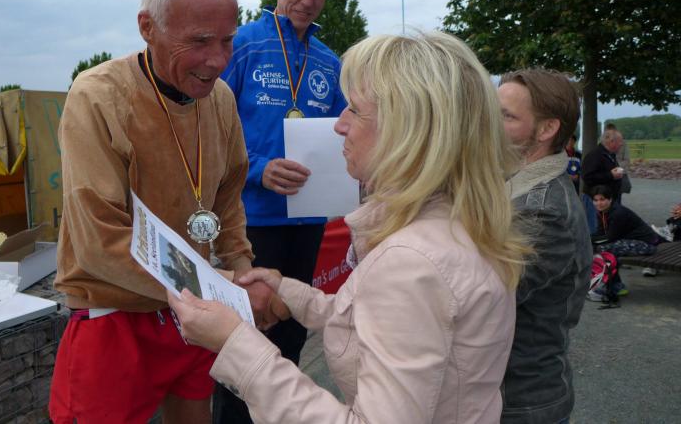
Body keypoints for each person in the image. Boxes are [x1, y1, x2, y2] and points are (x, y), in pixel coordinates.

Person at [170, 32, 532, 423]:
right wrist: (292, 295)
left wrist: (235, 343)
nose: (339, 125)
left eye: (355, 110)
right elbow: (393, 327)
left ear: (406, 130)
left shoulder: (411, 262)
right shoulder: (456, 224)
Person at [49, 0, 273, 424]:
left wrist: (242, 268)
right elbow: (99, 242)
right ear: (148, 28)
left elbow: (228, 198)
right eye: (200, 41)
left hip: (196, 314)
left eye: (227, 40)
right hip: (117, 314)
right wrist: (221, 286)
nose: (218, 60)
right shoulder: (97, 96)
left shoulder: (221, 99)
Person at [215, 0, 346, 423]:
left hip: (308, 220)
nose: (308, 0)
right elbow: (211, 126)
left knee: (291, 333)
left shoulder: (329, 62)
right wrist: (257, 168)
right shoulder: (242, 44)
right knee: (246, 336)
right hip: (253, 220)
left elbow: (346, 130)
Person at [497, 68, 592, 424]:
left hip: (521, 404)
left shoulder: (543, 211)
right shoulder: (512, 186)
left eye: (506, 116)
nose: (489, 125)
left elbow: (479, 296)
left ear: (547, 129)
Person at [588, 185, 667, 285]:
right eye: (595, 200)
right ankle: (614, 285)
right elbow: (600, 233)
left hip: (648, 245)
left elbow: (610, 237)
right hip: (629, 241)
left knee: (602, 248)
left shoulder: (618, 213)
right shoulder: (602, 212)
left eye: (602, 199)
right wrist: (589, 239)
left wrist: (588, 240)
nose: (599, 203)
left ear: (610, 199)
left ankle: (608, 285)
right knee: (596, 247)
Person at [582, 129, 625, 203]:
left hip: (608, 199)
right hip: (597, 201)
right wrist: (611, 175)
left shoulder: (610, 154)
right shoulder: (594, 155)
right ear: (611, 141)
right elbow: (587, 177)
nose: (621, 144)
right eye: (620, 141)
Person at [605, 122, 632, 196]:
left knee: (617, 197)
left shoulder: (623, 143)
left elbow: (627, 160)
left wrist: (616, 168)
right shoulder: (602, 144)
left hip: (619, 175)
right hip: (607, 176)